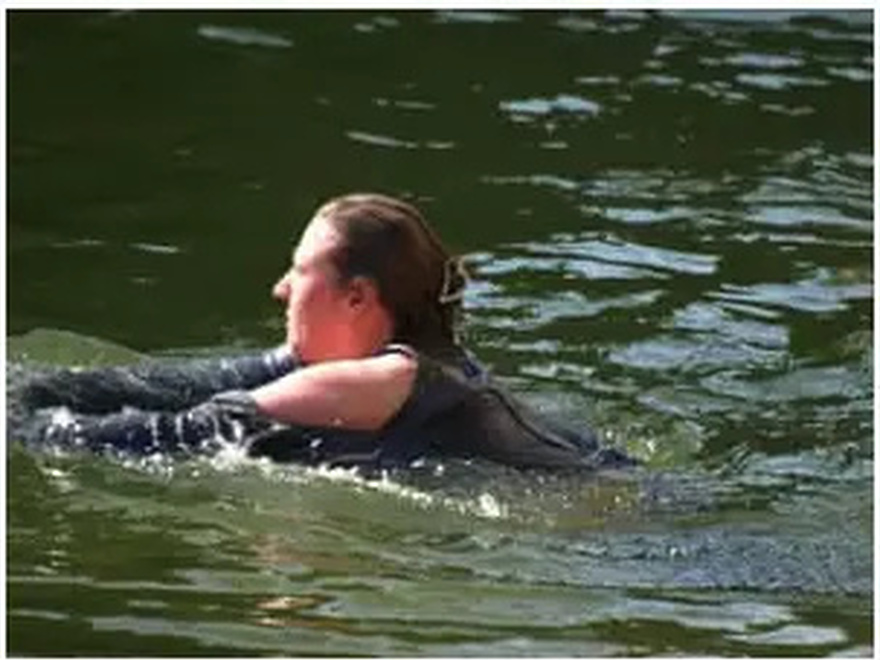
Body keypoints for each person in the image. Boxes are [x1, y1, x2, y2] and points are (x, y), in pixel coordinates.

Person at [12, 193, 636, 472]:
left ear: (358, 297)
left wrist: (22, 426)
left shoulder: (373, 382)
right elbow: (186, 384)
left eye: (300, 271)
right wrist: (31, 387)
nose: (280, 288)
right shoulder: (432, 364)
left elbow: (171, 435)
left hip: (625, 542)